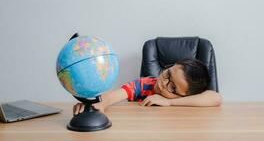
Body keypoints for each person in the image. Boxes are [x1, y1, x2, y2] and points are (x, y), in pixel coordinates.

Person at [73, 59, 222, 115]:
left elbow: (216, 98)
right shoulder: (145, 84)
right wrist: (95, 105)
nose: (164, 83)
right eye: (168, 74)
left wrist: (169, 102)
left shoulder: (189, 100)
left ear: (186, 95)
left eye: (173, 88)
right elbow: (117, 95)